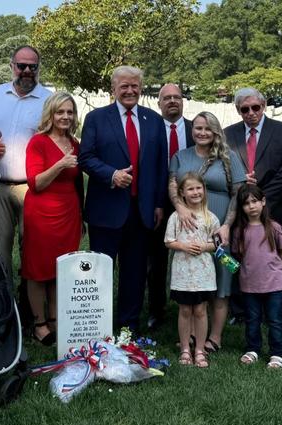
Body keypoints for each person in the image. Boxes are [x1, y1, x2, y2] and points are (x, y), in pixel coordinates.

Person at [79, 65, 168, 333]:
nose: (129, 90)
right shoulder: (96, 118)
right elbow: (86, 157)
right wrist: (111, 174)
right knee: (102, 272)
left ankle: (129, 326)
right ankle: (100, 325)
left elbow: (160, 166)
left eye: (134, 86)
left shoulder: (153, 120)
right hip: (106, 208)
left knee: (135, 272)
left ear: (141, 88)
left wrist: (159, 203)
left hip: (141, 210)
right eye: (124, 86)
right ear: (113, 89)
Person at [168, 111, 247, 352]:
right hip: (189, 225)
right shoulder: (181, 156)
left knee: (221, 279)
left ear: (215, 132)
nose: (201, 133)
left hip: (219, 224)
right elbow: (173, 186)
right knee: (192, 275)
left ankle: (214, 337)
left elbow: (238, 192)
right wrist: (180, 208)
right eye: (198, 128)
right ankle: (190, 334)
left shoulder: (228, 157)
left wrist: (226, 224)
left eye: (207, 129)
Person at [0, 45, 52, 288]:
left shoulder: (48, 100)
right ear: (12, 67)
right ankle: (5, 309)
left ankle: (31, 311)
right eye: (22, 66)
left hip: (34, 189)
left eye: (33, 66)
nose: (27, 71)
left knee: (32, 250)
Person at [224, 87, 282, 331]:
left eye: (256, 107)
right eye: (245, 109)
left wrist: (260, 197)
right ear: (238, 110)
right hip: (241, 207)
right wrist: (245, 198)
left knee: (278, 255)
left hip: (275, 205)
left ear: (263, 105)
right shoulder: (228, 134)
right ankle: (242, 309)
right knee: (242, 254)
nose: (251, 113)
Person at [22, 92, 84, 345]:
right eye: (60, 112)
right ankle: (39, 324)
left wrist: (83, 217)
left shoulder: (76, 144)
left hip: (69, 212)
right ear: (51, 114)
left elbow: (79, 182)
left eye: (69, 112)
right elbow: (35, 183)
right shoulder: (38, 142)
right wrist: (60, 164)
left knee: (61, 270)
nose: (65, 117)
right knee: (38, 270)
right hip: (41, 212)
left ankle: (56, 319)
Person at [147, 83, 195, 330]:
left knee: (196, 253)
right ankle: (156, 309)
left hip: (193, 202)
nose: (173, 101)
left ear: (183, 101)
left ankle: (196, 306)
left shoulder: (194, 128)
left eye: (177, 97)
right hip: (159, 202)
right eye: (167, 98)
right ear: (159, 103)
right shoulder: (150, 129)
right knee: (156, 259)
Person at [165, 173, 219, 368]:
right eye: (190, 189)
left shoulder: (210, 217)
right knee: (185, 310)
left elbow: (217, 244)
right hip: (183, 273)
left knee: (201, 310)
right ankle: (185, 348)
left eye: (198, 188)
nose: (195, 192)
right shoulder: (176, 217)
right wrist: (184, 246)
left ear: (204, 190)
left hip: (204, 273)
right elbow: (168, 240)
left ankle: (200, 349)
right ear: (182, 193)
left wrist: (205, 247)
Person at [231, 184, 282, 369]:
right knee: (252, 319)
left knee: (274, 320)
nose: (251, 206)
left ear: (263, 202)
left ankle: (277, 353)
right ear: (242, 207)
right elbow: (237, 255)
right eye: (246, 203)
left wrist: (278, 268)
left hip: (273, 284)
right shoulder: (240, 231)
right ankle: (253, 349)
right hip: (249, 285)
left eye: (255, 201)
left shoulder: (273, 227)